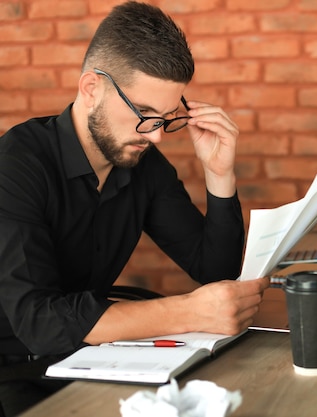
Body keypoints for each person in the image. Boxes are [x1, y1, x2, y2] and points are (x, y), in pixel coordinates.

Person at [0, 2, 269, 415]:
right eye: (144, 113)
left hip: (92, 359)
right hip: (15, 372)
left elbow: (216, 273)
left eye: (166, 118)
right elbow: (41, 323)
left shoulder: (143, 163)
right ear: (91, 88)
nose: (158, 136)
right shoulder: (16, 166)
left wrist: (219, 174)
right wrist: (186, 310)